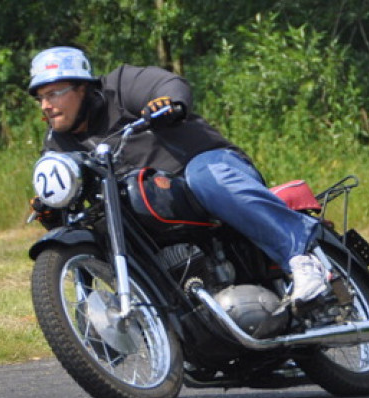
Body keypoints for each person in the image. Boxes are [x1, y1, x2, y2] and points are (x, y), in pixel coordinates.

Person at [27, 46, 328, 306]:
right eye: (40, 97)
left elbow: (168, 83)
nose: (45, 105)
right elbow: (59, 186)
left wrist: (166, 102)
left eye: (54, 93)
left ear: (83, 87)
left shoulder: (119, 86)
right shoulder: (58, 144)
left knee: (203, 178)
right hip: (151, 206)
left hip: (201, 165)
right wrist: (49, 206)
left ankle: (302, 257)